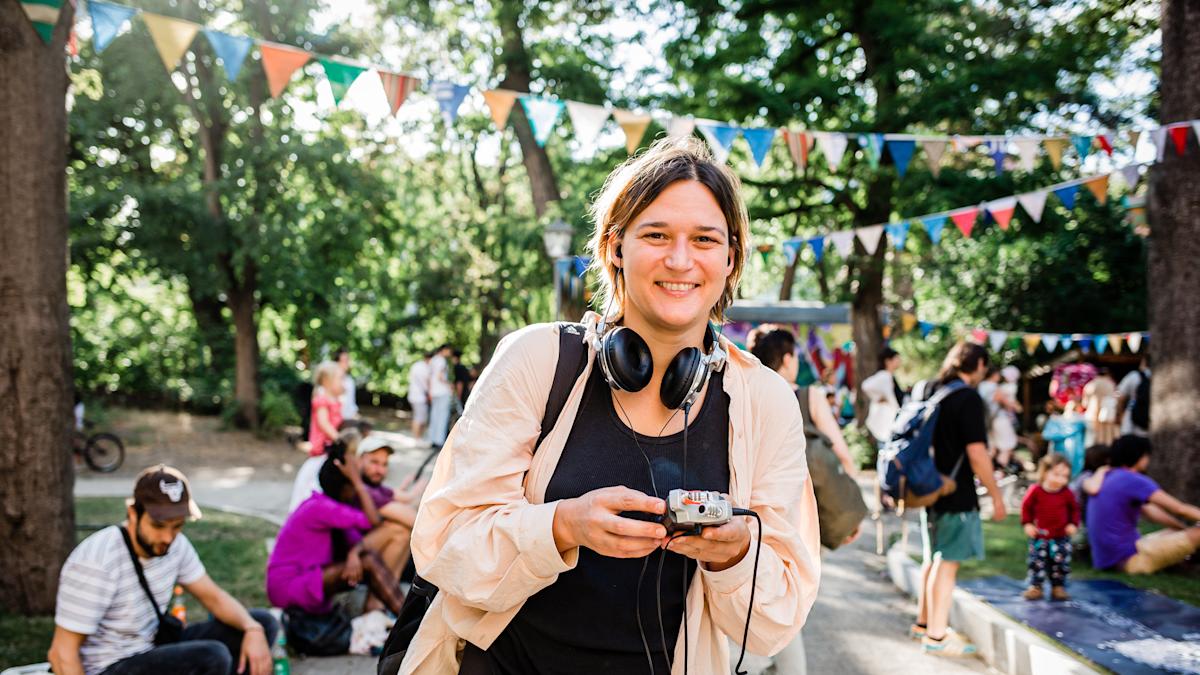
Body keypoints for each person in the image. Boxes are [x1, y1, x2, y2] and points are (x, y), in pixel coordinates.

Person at [396, 137, 821, 674]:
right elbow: (445, 549)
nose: (681, 259)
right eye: (657, 234)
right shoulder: (537, 359)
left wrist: (735, 557)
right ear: (615, 247)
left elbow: (775, 620)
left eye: (705, 239)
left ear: (731, 256)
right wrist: (561, 528)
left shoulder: (766, 401)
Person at [48, 466, 276, 675]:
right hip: (108, 667)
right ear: (133, 514)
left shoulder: (176, 545)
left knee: (261, 624)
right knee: (212, 657)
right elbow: (61, 653)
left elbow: (213, 597)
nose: (167, 537)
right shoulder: (96, 561)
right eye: (158, 526)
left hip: (151, 647)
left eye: (177, 526)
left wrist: (252, 629)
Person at [912, 341, 1006, 658]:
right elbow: (977, 453)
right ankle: (937, 636)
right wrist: (996, 496)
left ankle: (924, 624)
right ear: (978, 365)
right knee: (947, 562)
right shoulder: (967, 398)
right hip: (956, 490)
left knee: (932, 557)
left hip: (927, 487)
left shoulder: (930, 389)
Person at [268, 444, 409, 619]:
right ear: (345, 488)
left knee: (367, 557)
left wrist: (354, 553)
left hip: (305, 578)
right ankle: (409, 621)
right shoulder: (321, 507)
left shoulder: (327, 505)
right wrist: (358, 482)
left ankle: (401, 617)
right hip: (289, 585)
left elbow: (358, 540)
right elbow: (372, 520)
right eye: (353, 486)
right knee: (369, 561)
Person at [1083, 435, 1200, 574]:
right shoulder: (1134, 480)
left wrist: (1182, 529)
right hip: (1130, 560)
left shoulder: (1108, 477)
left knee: (1175, 531)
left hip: (1107, 560)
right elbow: (1180, 509)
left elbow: (1152, 512)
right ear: (1140, 456)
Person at [1020, 453, 1079, 601]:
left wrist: (1073, 524)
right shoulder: (1036, 490)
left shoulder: (1067, 493)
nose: (1060, 479)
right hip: (1040, 536)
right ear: (1045, 472)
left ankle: (1057, 587)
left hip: (1061, 536)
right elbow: (1026, 508)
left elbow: (1075, 510)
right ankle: (1036, 587)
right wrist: (1027, 523)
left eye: (1065, 476)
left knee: (1060, 563)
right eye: (1056, 474)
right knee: (1037, 562)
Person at [288, 361, 345, 513]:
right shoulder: (322, 400)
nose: (343, 383)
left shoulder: (336, 401)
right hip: (323, 448)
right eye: (340, 379)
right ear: (327, 381)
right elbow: (323, 423)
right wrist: (339, 439)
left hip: (330, 449)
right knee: (313, 483)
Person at [861, 347, 902, 446]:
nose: (899, 361)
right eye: (896, 358)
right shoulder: (884, 376)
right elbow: (865, 386)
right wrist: (878, 398)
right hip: (885, 423)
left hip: (889, 423)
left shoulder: (888, 376)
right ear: (888, 361)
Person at [426, 344, 454, 447]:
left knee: (434, 415)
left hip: (434, 391)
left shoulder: (433, 360)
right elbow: (440, 376)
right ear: (445, 350)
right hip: (442, 391)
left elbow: (429, 377)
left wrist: (429, 391)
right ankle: (439, 441)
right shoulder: (442, 360)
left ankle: (432, 439)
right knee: (442, 416)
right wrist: (449, 385)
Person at [1116, 356, 1151, 438]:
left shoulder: (1134, 376)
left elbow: (1120, 396)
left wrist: (1119, 414)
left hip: (1131, 424)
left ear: (1143, 362)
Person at [1082, 367, 1118, 446]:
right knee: (1107, 443)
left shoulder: (1090, 385)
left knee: (1090, 442)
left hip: (1092, 417)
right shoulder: (1111, 384)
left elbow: (1084, 404)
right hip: (1106, 418)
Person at [406, 351, 432, 442]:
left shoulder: (416, 365)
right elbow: (426, 382)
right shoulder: (425, 368)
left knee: (418, 416)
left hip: (413, 395)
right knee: (419, 418)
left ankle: (417, 437)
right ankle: (417, 438)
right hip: (419, 397)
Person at [337, 347, 359, 421]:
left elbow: (352, 404)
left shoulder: (349, 381)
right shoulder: (330, 381)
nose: (347, 363)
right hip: (336, 421)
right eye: (344, 360)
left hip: (348, 421)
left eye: (348, 360)